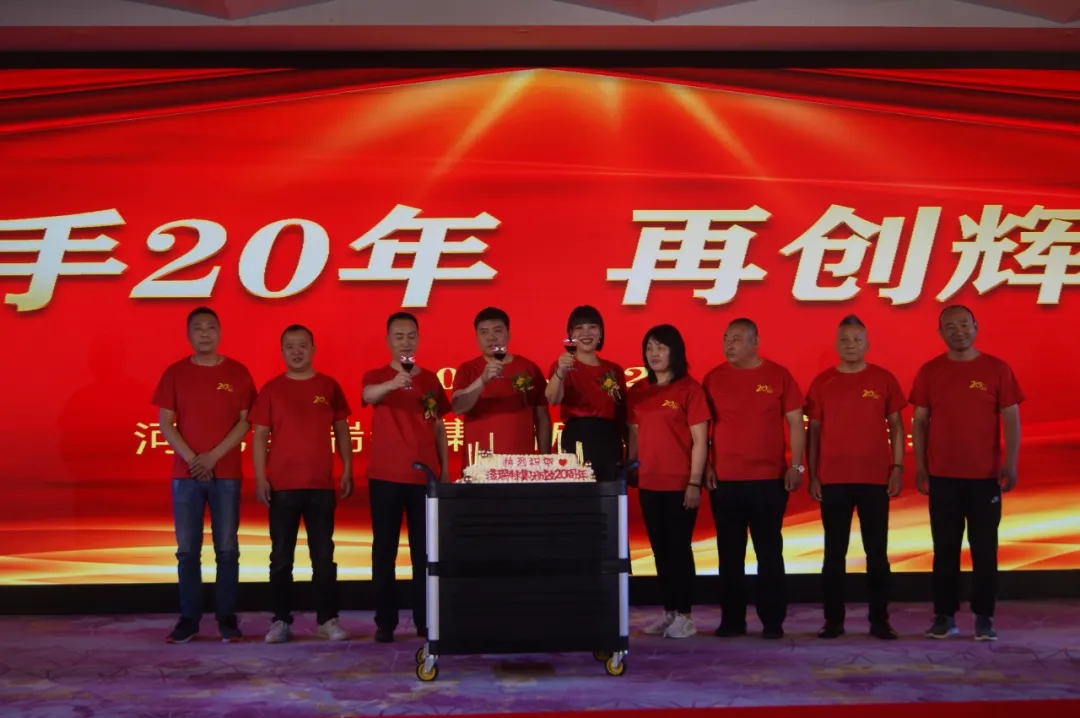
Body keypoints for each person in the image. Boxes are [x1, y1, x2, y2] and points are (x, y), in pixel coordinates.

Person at [910, 305, 1023, 642]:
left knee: (985, 549)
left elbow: (1011, 418)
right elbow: (919, 421)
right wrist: (920, 466)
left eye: (963, 324)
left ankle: (984, 617)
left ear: (976, 326)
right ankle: (944, 616)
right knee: (944, 548)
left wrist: (1010, 462)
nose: (958, 331)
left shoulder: (997, 369)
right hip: (942, 476)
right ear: (940, 333)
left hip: (985, 477)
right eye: (949, 326)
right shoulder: (930, 371)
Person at [154, 307, 256, 644]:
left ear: (220, 332)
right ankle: (189, 620)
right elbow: (165, 422)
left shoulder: (238, 372)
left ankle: (227, 619)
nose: (205, 333)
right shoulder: (175, 373)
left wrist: (213, 456)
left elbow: (245, 421)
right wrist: (193, 459)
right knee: (187, 551)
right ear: (188, 335)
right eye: (198, 328)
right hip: (185, 475)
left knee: (227, 549)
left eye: (211, 327)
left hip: (226, 472)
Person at [702, 318, 804, 640]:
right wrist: (705, 466)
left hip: (768, 480)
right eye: (726, 338)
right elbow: (703, 428)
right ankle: (732, 620)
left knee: (769, 554)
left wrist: (797, 466)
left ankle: (772, 621)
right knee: (729, 555)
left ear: (755, 341)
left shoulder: (778, 375)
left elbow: (796, 423)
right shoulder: (713, 379)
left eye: (736, 338)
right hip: (725, 481)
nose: (729, 344)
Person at [251, 324, 353, 644]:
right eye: (290, 346)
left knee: (323, 556)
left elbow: (342, 430)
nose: (297, 351)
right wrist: (260, 476)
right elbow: (260, 436)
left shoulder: (329, 386)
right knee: (281, 558)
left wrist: (347, 469)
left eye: (303, 345)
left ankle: (327, 619)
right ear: (282, 351)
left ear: (313, 349)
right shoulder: (271, 389)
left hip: (320, 484)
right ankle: (281, 620)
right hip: (282, 486)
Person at [805, 315, 905, 641]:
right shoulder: (823, 382)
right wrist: (813, 475)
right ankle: (833, 621)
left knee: (877, 554)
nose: (850, 345)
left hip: (875, 479)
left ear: (867, 344)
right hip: (833, 479)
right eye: (845, 339)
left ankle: (880, 621)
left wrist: (897, 467)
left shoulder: (883, 379)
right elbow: (813, 433)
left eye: (857, 339)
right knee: (834, 554)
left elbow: (897, 427)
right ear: (836, 344)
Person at [362, 312, 451, 643]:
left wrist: (444, 468)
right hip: (385, 475)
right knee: (384, 550)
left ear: (418, 338)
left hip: (423, 476)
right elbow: (368, 396)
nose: (405, 342)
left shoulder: (430, 380)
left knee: (424, 552)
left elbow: (438, 424)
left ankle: (425, 620)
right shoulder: (377, 376)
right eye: (399, 336)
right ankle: (385, 622)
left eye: (411, 336)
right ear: (388, 340)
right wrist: (392, 384)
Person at [627, 324, 709, 639]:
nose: (654, 354)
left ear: (675, 351)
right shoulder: (639, 391)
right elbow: (634, 436)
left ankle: (685, 616)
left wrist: (694, 483)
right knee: (660, 550)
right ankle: (670, 612)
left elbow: (700, 441)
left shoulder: (690, 389)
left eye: (660, 347)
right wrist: (631, 467)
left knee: (678, 550)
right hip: (649, 482)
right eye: (649, 348)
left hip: (679, 484)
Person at [452, 307, 551, 457]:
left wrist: (545, 458)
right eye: (484, 332)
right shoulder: (467, 369)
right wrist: (482, 380)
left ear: (508, 334)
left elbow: (542, 417)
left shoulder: (528, 368)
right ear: (477, 337)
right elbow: (458, 408)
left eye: (497, 331)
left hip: (521, 461)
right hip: (480, 463)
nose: (491, 337)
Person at [546, 305, 627, 480]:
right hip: (577, 438)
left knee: (609, 492)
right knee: (579, 493)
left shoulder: (614, 370)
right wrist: (561, 372)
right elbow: (553, 399)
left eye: (592, 327)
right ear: (571, 334)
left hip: (609, 440)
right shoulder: (561, 366)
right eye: (579, 328)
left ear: (600, 332)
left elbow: (622, 414)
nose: (586, 333)